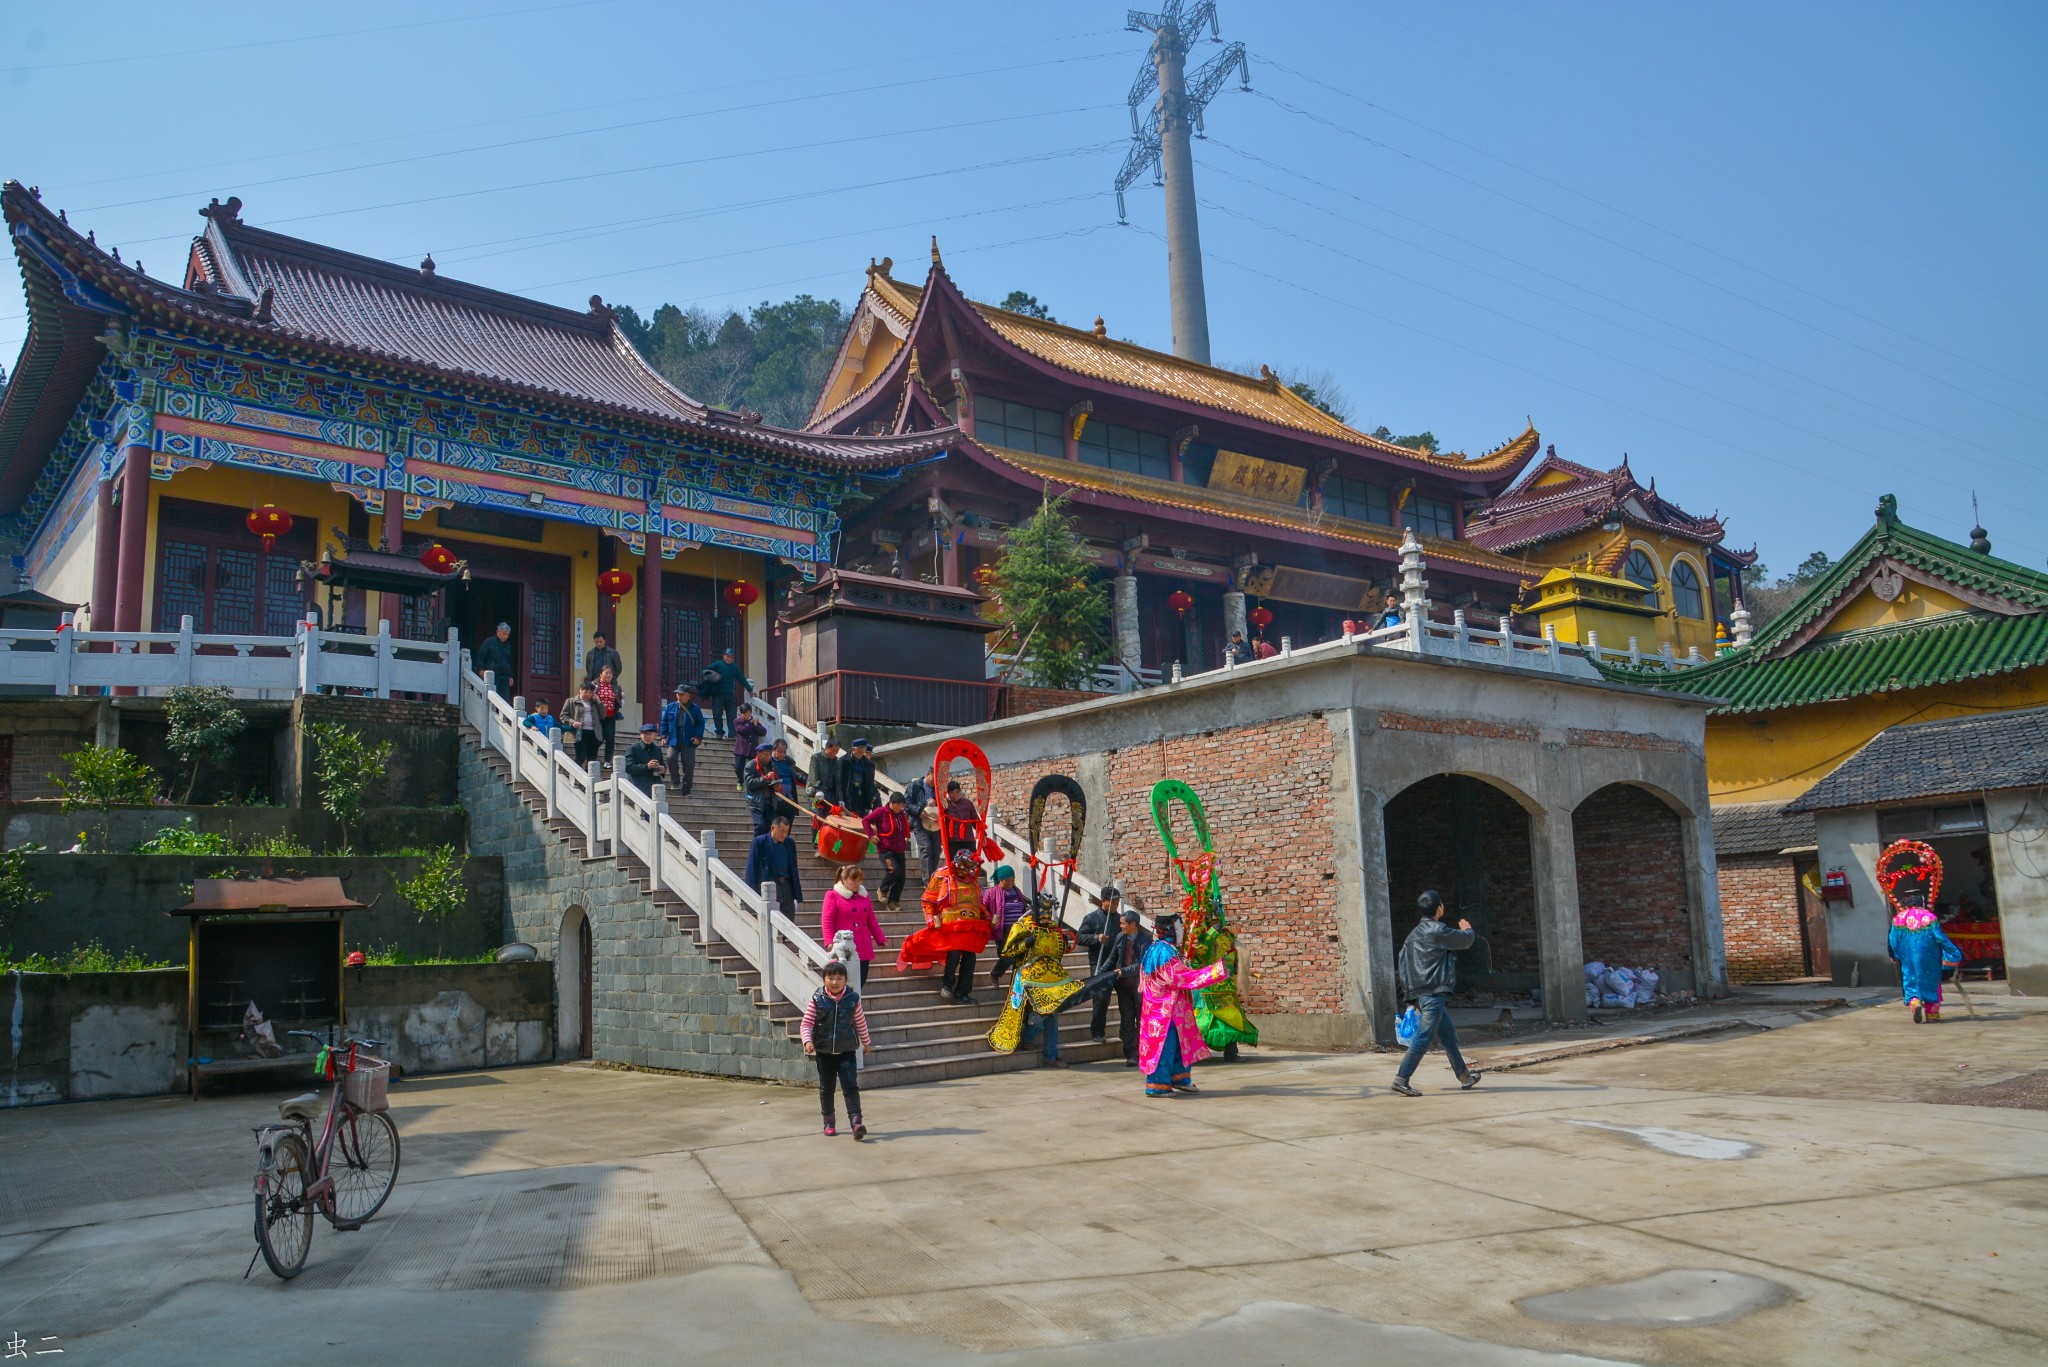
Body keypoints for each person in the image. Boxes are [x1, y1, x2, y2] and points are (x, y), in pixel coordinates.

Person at [1391, 889, 1481, 1096]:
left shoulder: (1412, 936)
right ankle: (1401, 1079)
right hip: (1432, 993)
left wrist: (1410, 996)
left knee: (1448, 1035)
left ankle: (1464, 1076)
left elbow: (1404, 964)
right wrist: (1469, 931)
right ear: (1439, 908)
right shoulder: (1437, 930)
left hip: (1423, 993)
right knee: (1424, 1036)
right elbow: (1464, 941)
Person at [1138, 913, 1229, 1097]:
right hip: (1162, 1012)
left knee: (1181, 1043)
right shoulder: (1162, 951)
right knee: (1165, 1046)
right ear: (1169, 930)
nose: (1183, 932)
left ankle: (1180, 1078)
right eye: (1179, 928)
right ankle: (1158, 1085)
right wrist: (1213, 972)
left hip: (1174, 1009)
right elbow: (1178, 977)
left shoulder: (1169, 949)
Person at [987, 898, 1083, 1067]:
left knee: (1051, 1014)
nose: (1046, 915)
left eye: (1048, 911)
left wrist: (1064, 944)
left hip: (1052, 977)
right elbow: (1008, 951)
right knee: (1043, 1013)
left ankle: (1048, 1054)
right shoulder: (1022, 926)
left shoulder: (1053, 927)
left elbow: (1058, 951)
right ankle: (1031, 1040)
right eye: (1042, 911)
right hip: (1028, 976)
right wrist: (1025, 943)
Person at [896, 848, 990, 1004]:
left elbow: (978, 903)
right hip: (951, 923)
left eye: (969, 868)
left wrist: (986, 915)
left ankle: (963, 992)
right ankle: (947, 984)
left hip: (971, 924)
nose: (966, 871)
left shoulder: (972, 879)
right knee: (954, 953)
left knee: (970, 958)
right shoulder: (943, 876)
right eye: (964, 867)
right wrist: (930, 918)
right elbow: (928, 900)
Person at [801, 959, 872, 1139]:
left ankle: (856, 1122)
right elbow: (807, 1023)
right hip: (824, 1053)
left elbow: (860, 1022)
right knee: (827, 1089)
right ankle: (829, 1122)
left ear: (845, 980)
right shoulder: (818, 1000)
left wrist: (866, 1042)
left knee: (850, 1087)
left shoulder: (852, 999)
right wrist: (807, 1041)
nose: (835, 982)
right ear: (824, 979)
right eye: (830, 978)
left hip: (846, 1051)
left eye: (839, 978)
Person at [1888, 893, 1963, 1024]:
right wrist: (1953, 952)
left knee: (1910, 979)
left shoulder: (1898, 919)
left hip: (1908, 956)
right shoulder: (1929, 917)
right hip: (1929, 956)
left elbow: (1893, 940)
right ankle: (1932, 1013)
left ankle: (1915, 1002)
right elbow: (1940, 937)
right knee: (1931, 981)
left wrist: (1894, 954)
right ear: (1921, 903)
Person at [820, 864, 886, 992]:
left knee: (862, 978)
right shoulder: (833, 895)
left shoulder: (864, 896)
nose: (857, 883)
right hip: (844, 945)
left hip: (863, 943)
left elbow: (871, 918)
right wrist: (829, 941)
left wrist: (880, 938)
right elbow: (827, 920)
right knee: (846, 981)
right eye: (853, 880)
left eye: (859, 880)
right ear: (844, 880)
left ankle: (855, 1007)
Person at [1103, 907, 1152, 1066]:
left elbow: (1141, 966)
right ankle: (1131, 1054)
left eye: (1123, 924)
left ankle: (1143, 1051)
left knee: (1141, 1021)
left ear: (1133, 924)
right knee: (1127, 1020)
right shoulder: (1120, 938)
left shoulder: (1145, 941)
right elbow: (1112, 959)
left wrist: (1122, 971)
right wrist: (1100, 974)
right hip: (1123, 987)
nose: (1121, 927)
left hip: (1139, 988)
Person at [1078, 886, 1122, 1044]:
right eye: (1113, 901)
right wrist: (1096, 938)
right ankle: (1097, 1031)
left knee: (1125, 999)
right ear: (1103, 901)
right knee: (1101, 999)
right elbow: (1080, 938)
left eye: (1117, 901)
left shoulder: (1119, 919)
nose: (1116, 904)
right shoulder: (1091, 918)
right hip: (1100, 963)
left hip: (1118, 964)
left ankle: (1125, 1032)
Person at [745, 812, 803, 922]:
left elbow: (794, 868)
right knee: (771, 921)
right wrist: (751, 894)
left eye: (786, 831)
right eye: (781, 831)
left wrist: (796, 893)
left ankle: (785, 940)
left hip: (787, 886)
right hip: (770, 886)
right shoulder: (759, 842)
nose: (784, 835)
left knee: (788, 922)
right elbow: (752, 869)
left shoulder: (790, 843)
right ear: (773, 828)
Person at [862, 792, 912, 909]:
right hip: (886, 849)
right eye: (897, 805)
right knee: (893, 870)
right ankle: (882, 890)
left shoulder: (901, 814)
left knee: (901, 877)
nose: (899, 808)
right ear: (891, 803)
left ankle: (893, 902)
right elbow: (865, 821)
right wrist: (871, 835)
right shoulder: (881, 812)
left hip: (899, 849)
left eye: (901, 805)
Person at [660, 684, 705, 795]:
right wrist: (663, 736)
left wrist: (698, 737)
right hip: (673, 738)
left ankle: (686, 787)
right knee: (670, 757)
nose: (679, 696)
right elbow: (664, 722)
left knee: (689, 765)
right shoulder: (671, 707)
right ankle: (675, 781)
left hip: (688, 739)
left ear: (688, 696)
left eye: (682, 694)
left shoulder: (695, 709)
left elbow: (700, 724)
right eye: (678, 694)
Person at [706, 646, 751, 738]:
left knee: (732, 715)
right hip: (717, 694)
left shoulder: (735, 668)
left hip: (729, 695)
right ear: (723, 656)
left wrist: (750, 689)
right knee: (717, 713)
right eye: (727, 656)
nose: (729, 658)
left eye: (731, 657)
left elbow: (742, 679)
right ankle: (719, 732)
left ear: (733, 658)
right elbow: (706, 671)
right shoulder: (718, 664)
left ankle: (732, 734)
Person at [904, 773, 942, 877]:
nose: (935, 781)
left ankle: (932, 877)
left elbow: (944, 803)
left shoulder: (938, 788)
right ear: (928, 774)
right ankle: (927, 880)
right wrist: (919, 811)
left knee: (936, 850)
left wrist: (937, 802)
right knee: (926, 848)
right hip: (919, 822)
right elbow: (907, 803)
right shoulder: (914, 786)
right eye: (934, 778)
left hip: (935, 823)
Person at [981, 865, 1028, 945]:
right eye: (1007, 880)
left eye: (1012, 880)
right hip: (1002, 928)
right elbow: (983, 908)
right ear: (1001, 880)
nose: (1010, 883)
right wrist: (993, 922)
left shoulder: (1017, 891)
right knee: (1005, 955)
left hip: (1018, 927)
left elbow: (1023, 907)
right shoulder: (991, 892)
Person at [744, 749, 785, 836]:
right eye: (765, 755)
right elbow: (750, 783)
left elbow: (776, 780)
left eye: (769, 755)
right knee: (760, 825)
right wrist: (765, 778)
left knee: (771, 827)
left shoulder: (773, 766)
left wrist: (776, 785)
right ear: (759, 754)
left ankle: (767, 848)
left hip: (770, 801)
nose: (768, 757)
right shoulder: (751, 765)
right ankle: (757, 847)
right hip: (756, 801)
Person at [561, 682, 601, 767]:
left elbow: (603, 715)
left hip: (593, 732)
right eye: (585, 692)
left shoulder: (594, 702)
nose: (587, 694)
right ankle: (574, 775)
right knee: (581, 756)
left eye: (590, 693)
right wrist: (572, 722)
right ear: (580, 690)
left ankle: (589, 777)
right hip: (579, 732)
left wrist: (599, 702)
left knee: (592, 759)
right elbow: (563, 716)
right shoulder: (571, 701)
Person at [622, 721, 666, 795]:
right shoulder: (633, 748)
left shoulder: (657, 749)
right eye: (645, 734)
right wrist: (647, 766)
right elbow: (628, 767)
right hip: (639, 785)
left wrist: (663, 769)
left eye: (650, 734)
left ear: (655, 735)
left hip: (655, 785)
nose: (648, 736)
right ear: (641, 735)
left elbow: (662, 764)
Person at [473, 622, 515, 699]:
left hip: (505, 676)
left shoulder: (508, 646)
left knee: (504, 698)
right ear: (498, 632)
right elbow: (481, 657)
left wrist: (510, 676)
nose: (505, 636)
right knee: (492, 696)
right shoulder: (489, 642)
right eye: (503, 634)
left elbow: (509, 662)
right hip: (492, 674)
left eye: (507, 634)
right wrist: (481, 669)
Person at [730, 703, 767, 790]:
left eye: (748, 713)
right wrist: (750, 723)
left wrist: (756, 724)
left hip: (752, 750)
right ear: (741, 713)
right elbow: (743, 730)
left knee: (753, 768)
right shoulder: (737, 721)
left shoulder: (754, 721)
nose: (747, 716)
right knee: (738, 767)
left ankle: (750, 783)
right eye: (745, 714)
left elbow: (763, 732)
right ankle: (740, 781)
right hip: (741, 749)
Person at [592, 664, 622, 767]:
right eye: (606, 673)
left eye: (610, 673)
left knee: (610, 739)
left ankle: (607, 761)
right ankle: (592, 758)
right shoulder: (594, 685)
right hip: (598, 716)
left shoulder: (615, 686)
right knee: (598, 738)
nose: (609, 675)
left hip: (610, 716)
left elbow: (618, 699)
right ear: (601, 674)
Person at [941, 780, 979, 861]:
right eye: (951, 793)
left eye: (957, 792)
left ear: (960, 792)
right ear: (948, 793)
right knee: (955, 864)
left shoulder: (968, 803)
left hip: (968, 838)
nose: (954, 795)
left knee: (971, 862)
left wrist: (983, 834)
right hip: (952, 841)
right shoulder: (944, 804)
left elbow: (975, 819)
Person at [843, 739, 880, 816]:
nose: (861, 754)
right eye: (859, 752)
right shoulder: (844, 761)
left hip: (862, 795)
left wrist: (869, 805)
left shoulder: (868, 764)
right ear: (853, 749)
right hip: (849, 795)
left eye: (863, 752)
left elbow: (870, 783)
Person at [811, 738, 846, 816]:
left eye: (836, 751)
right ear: (827, 747)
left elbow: (838, 782)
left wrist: (840, 799)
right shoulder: (816, 758)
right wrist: (818, 789)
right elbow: (813, 775)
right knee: (817, 817)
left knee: (830, 818)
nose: (834, 753)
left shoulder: (836, 762)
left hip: (831, 795)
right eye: (833, 750)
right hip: (816, 794)